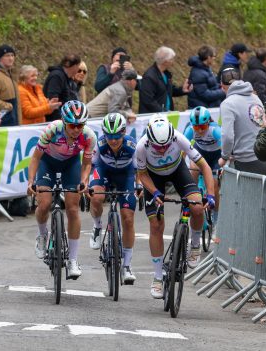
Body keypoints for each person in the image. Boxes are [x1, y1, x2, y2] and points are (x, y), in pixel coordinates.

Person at [136, 115, 215, 299]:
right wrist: (155, 192)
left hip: (178, 171)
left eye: (165, 146)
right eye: (158, 146)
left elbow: (205, 167)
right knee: (156, 224)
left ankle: (194, 245)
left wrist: (210, 195)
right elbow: (142, 174)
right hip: (153, 177)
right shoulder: (142, 146)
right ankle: (157, 276)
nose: (162, 150)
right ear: (149, 140)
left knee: (196, 207)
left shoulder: (179, 138)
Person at [27, 101, 96, 279]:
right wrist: (31, 181)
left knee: (73, 209)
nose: (76, 129)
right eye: (72, 125)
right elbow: (35, 158)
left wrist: (83, 181)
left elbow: (87, 164)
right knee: (44, 204)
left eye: (80, 125)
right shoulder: (52, 130)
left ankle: (73, 260)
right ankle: (42, 236)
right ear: (65, 122)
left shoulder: (88, 136)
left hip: (70, 165)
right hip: (47, 164)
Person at [88, 113, 138, 284]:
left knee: (128, 218)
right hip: (104, 171)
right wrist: (89, 185)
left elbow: (141, 170)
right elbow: (90, 165)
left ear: (123, 133)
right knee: (96, 197)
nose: (114, 140)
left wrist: (139, 188)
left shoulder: (132, 146)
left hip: (126, 175)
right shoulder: (100, 145)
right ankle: (97, 227)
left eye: (117, 136)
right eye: (109, 136)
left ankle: (126, 266)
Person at [219, 80, 266, 174]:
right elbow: (264, 124)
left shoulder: (228, 103)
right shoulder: (256, 98)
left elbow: (227, 136)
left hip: (246, 159)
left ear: (225, 88)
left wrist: (224, 156)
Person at [184, 106, 222, 229]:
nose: (199, 131)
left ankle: (216, 219)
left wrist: (224, 166)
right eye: (196, 127)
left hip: (216, 157)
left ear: (208, 123)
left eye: (203, 127)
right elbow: (183, 149)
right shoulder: (190, 130)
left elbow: (225, 150)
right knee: (192, 171)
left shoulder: (215, 130)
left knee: (215, 185)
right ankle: (193, 195)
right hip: (201, 155)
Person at [138, 46, 192, 113]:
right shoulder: (149, 77)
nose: (173, 62)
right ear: (165, 62)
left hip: (165, 115)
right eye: (172, 59)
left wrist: (182, 90)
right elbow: (148, 100)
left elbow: (168, 91)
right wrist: (163, 111)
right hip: (153, 118)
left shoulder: (166, 74)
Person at [42, 54, 82, 121]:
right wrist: (60, 119)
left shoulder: (67, 79)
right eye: (78, 66)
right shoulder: (57, 76)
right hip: (56, 121)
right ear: (74, 66)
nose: (78, 69)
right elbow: (53, 99)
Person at [0, 44, 21, 127]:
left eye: (12, 55)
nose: (11, 58)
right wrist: (7, 106)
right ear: (0, 58)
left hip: (13, 122)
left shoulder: (11, 74)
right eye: (7, 56)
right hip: (3, 123)